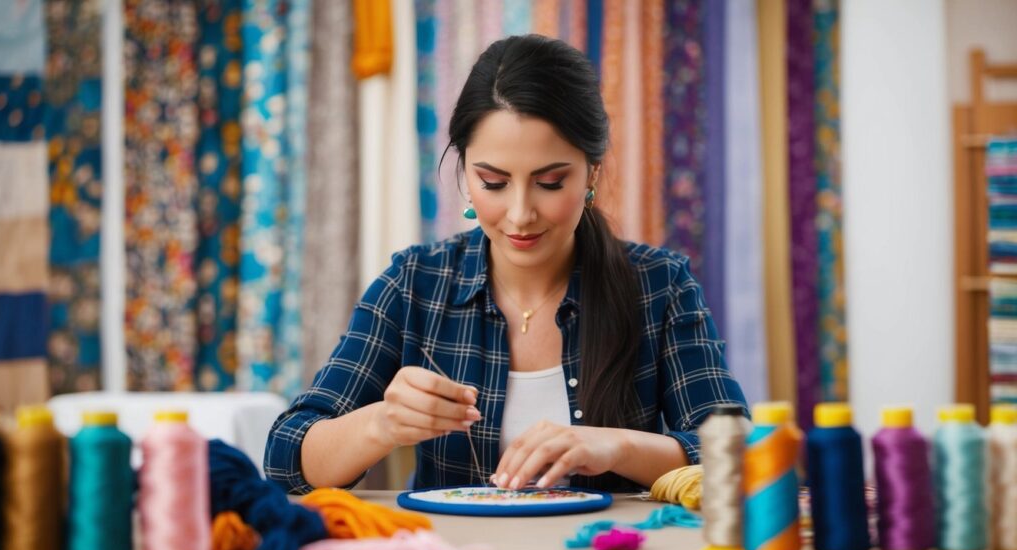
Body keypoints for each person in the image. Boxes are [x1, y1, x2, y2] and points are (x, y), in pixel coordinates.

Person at [265, 34, 747, 494]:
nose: (520, 214)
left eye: (551, 182)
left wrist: (618, 446)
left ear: (591, 172)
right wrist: (381, 423)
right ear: (466, 172)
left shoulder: (659, 286)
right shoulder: (414, 284)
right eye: (494, 183)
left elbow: (742, 457)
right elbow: (285, 460)